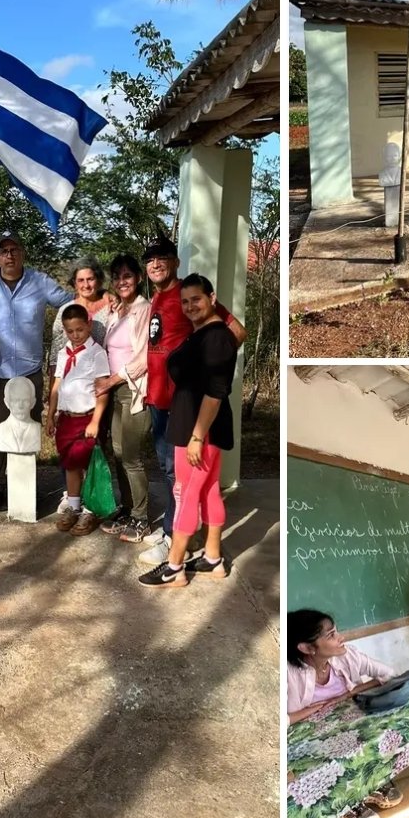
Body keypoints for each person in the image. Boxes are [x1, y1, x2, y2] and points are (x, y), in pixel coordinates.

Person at [138, 235, 246, 569]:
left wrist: (209, 360)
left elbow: (237, 333)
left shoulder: (191, 292)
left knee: (181, 480)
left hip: (183, 407)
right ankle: (185, 537)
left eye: (162, 257)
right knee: (173, 473)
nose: (155, 263)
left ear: (175, 262)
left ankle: (175, 543)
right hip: (159, 398)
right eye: (150, 259)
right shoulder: (160, 298)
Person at [0, 230, 72, 509]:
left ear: (23, 253)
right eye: (4, 251)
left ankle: (25, 481)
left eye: (14, 249)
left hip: (29, 371)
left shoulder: (40, 282)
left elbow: (69, 302)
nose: (9, 255)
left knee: (28, 428)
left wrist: (100, 303)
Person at [287, 608, 403, 818]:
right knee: (326, 758)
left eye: (336, 631)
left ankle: (369, 785)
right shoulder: (289, 673)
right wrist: (301, 714)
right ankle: (344, 805)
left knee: (374, 733)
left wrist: (349, 693)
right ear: (307, 648)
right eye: (331, 635)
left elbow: (389, 674)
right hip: (308, 737)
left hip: (349, 726)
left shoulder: (346, 655)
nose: (341, 638)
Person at [97, 254, 153, 543]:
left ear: (139, 278)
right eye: (117, 277)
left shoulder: (145, 309)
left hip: (134, 388)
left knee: (131, 456)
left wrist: (113, 379)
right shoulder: (117, 311)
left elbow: (144, 357)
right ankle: (129, 509)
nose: (122, 281)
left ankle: (142, 519)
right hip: (114, 391)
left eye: (127, 276)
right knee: (118, 454)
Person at [45, 305, 111, 536]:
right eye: (70, 331)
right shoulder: (64, 352)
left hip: (87, 418)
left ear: (89, 326)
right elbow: (56, 385)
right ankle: (73, 507)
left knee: (89, 465)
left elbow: (102, 390)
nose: (75, 335)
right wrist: (51, 415)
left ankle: (90, 510)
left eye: (80, 330)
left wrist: (95, 421)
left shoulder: (97, 353)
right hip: (66, 418)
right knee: (70, 464)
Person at [48, 257, 113, 365]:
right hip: (71, 375)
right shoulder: (65, 311)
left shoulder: (111, 307)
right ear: (74, 283)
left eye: (90, 279)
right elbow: (55, 354)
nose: (86, 285)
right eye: (81, 280)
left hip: (103, 374)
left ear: (98, 280)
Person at [0, 377, 43, 454]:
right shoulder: (3, 428)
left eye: (25, 400)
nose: (20, 406)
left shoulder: (35, 428)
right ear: (7, 402)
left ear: (33, 402)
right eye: (15, 401)